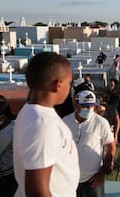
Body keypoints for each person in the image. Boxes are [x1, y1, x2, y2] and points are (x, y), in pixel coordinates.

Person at [13, 52, 80, 196]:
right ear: (58, 84)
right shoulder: (43, 124)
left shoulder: (29, 111)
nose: (70, 88)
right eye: (69, 83)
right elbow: (37, 191)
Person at [63, 90, 116, 197]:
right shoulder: (65, 122)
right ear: (76, 104)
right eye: (85, 106)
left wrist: (102, 173)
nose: (88, 109)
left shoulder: (101, 123)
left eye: (91, 106)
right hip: (70, 180)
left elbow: (111, 147)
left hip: (93, 180)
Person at [0, 94, 18, 197]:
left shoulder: (4, 135)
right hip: (15, 170)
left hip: (5, 174)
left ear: (3, 117)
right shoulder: (16, 125)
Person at [104, 79, 120, 143]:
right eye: (109, 85)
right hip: (108, 113)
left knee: (116, 126)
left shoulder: (118, 94)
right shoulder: (107, 92)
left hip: (115, 112)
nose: (110, 87)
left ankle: (116, 138)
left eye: (112, 85)